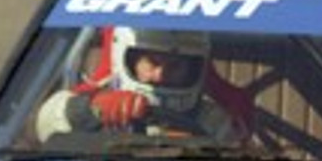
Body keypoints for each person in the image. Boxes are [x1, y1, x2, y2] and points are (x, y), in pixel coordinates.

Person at [34, 27, 256, 145]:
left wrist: (195, 145)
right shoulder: (93, 101)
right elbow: (46, 122)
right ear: (126, 58)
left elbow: (234, 155)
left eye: (176, 66)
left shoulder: (212, 119)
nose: (160, 75)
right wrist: (91, 109)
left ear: (195, 69)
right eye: (152, 62)